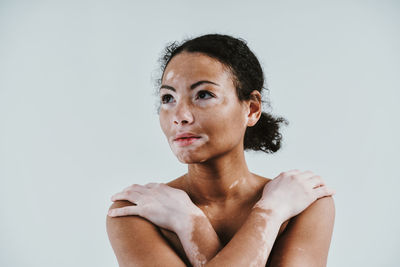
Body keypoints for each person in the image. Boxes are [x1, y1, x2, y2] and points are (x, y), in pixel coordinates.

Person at [106, 33, 336, 267]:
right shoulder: (136, 210)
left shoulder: (304, 201)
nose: (180, 117)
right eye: (168, 98)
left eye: (203, 95)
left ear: (252, 109)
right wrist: (269, 214)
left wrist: (192, 226)